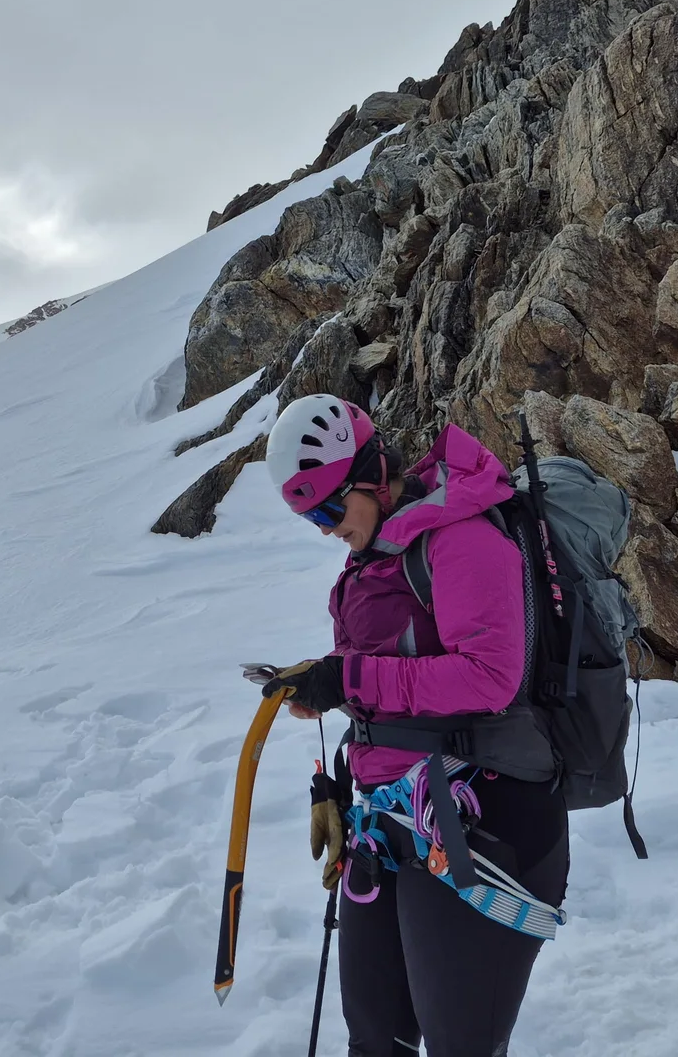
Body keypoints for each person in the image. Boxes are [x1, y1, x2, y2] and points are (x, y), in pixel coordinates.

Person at [253, 394, 567, 1057]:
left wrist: (351, 680)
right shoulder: (380, 553)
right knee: (375, 1044)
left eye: (331, 508)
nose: (324, 528)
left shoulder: (461, 537)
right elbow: (394, 674)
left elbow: (489, 678)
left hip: (483, 820)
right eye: (310, 515)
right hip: (393, 820)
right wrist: (331, 692)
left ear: (372, 474)